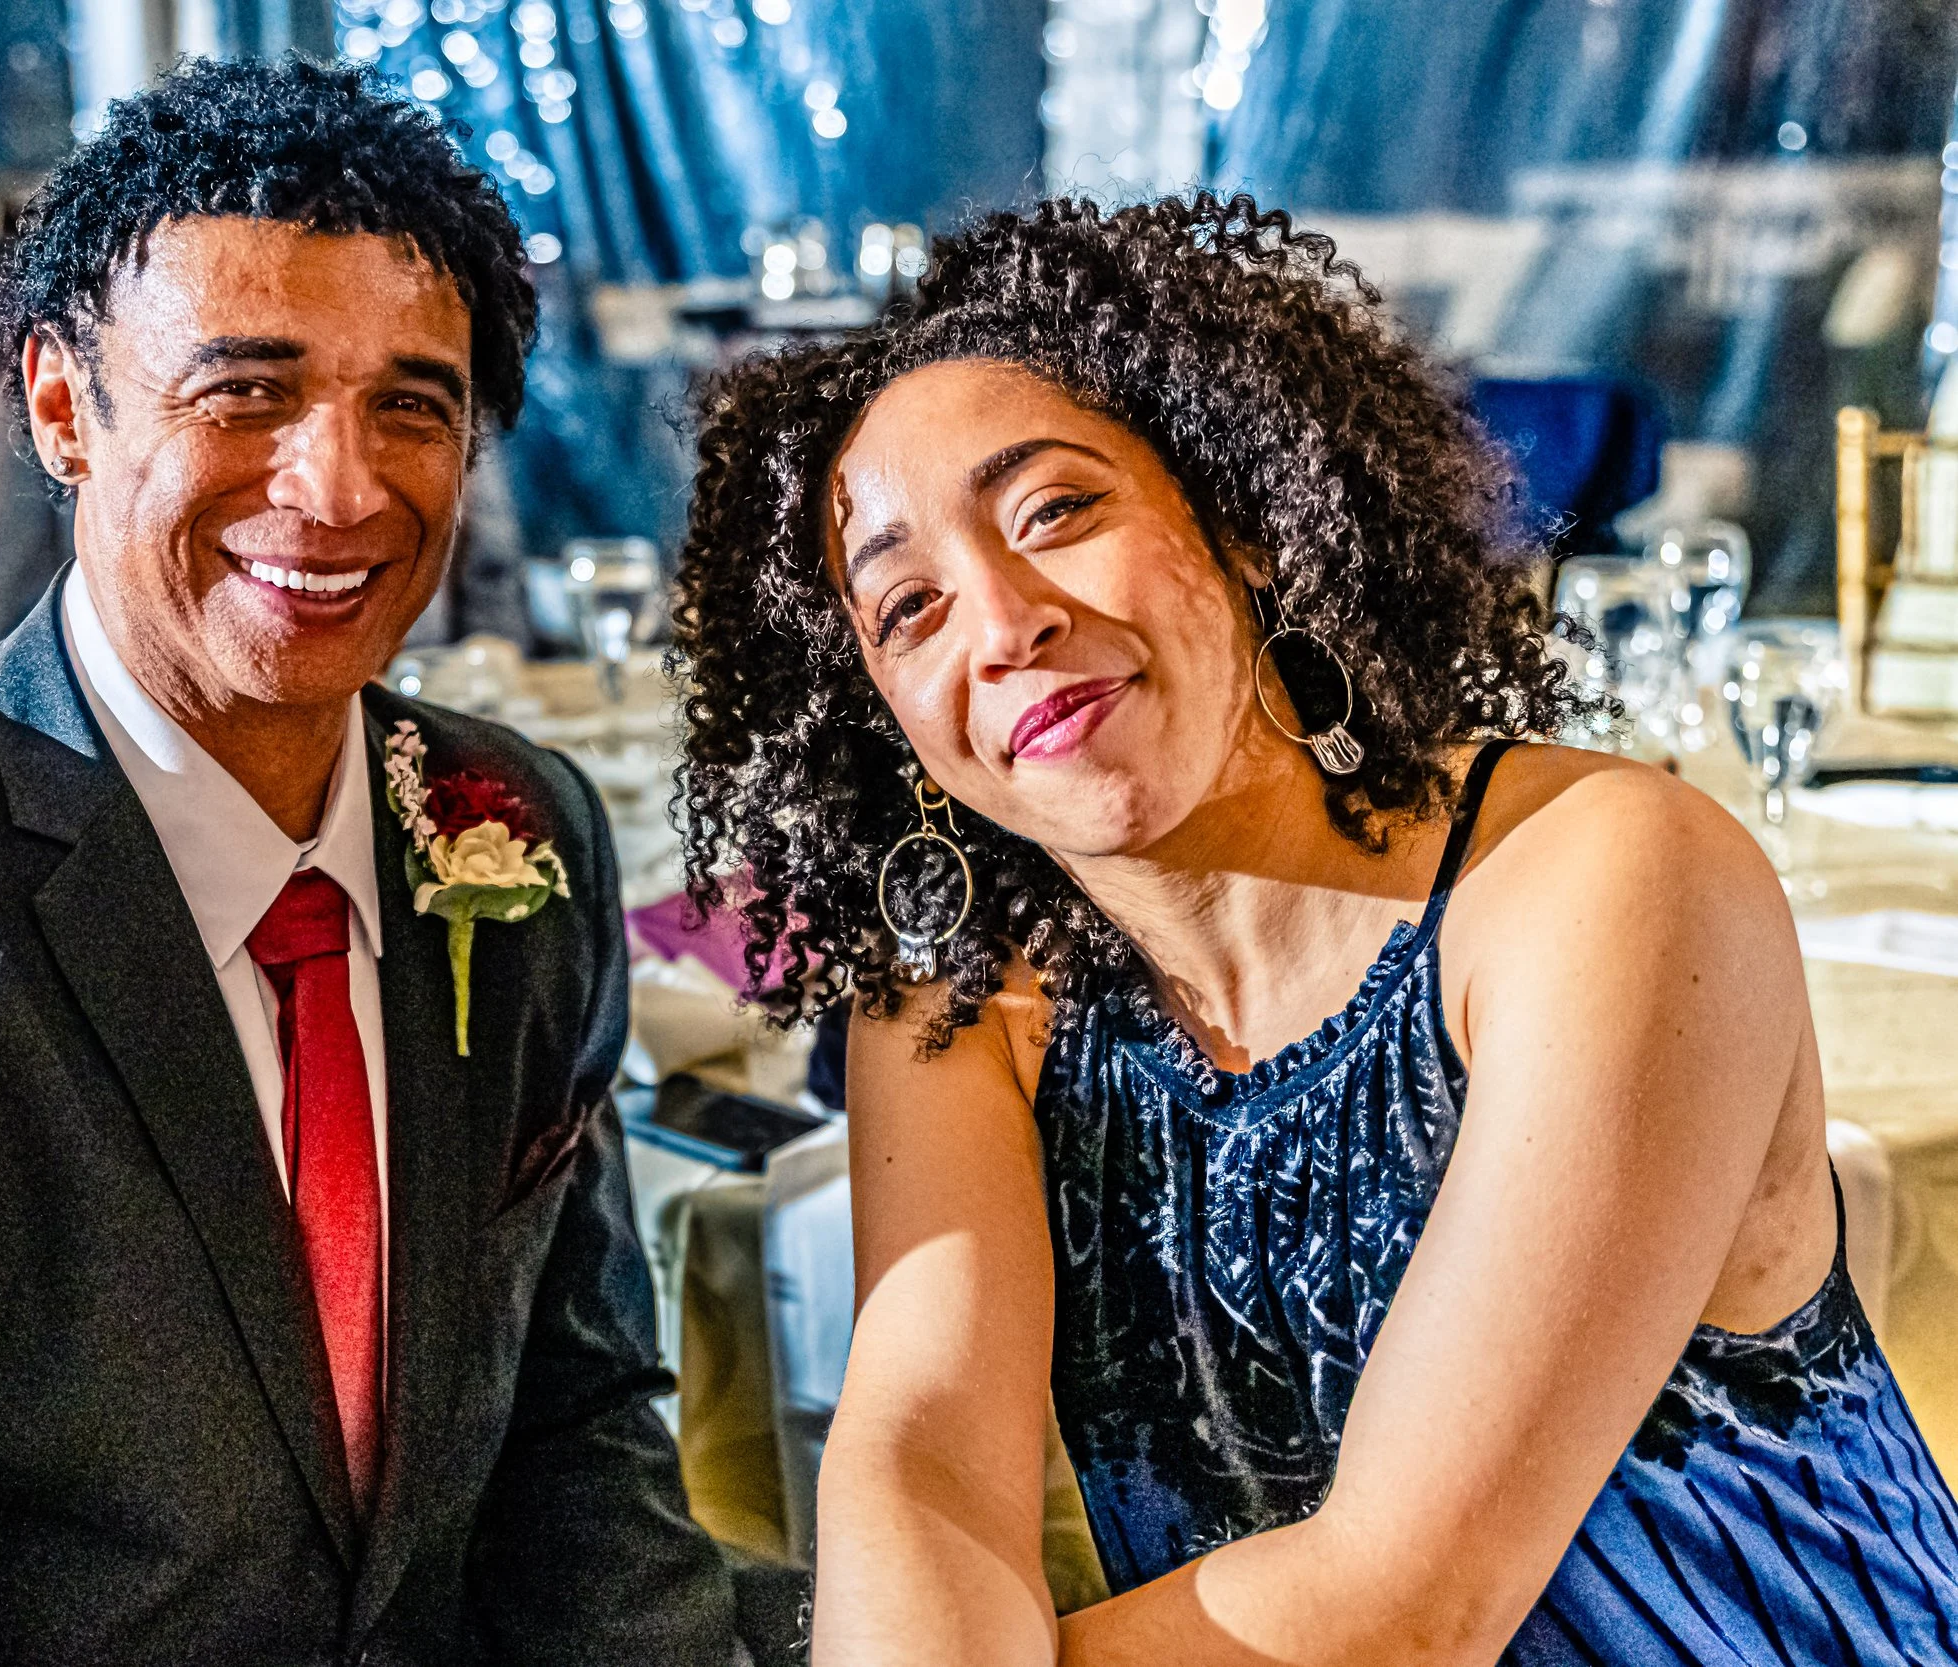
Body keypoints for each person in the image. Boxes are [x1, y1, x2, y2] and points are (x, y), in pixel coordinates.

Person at [669, 193, 1958, 1665]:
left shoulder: (1596, 877)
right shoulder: (969, 999)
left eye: (1058, 512)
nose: (1003, 621)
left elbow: (1408, 1604)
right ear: (893, 725)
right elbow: (922, 1466)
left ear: (1247, 523)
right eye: (906, 607)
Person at [0, 57, 748, 1666]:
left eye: (410, 403)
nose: (337, 487)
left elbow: (582, 1428)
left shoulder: (513, 828)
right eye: (245, 389)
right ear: (63, 406)